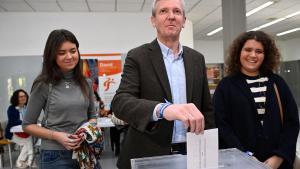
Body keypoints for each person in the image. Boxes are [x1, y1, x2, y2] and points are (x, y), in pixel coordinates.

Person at [111, 0, 214, 168]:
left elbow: (207, 110)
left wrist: (209, 152)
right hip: (149, 153)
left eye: (177, 12)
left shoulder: (197, 59)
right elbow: (120, 102)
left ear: (184, 21)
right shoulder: (138, 56)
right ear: (153, 20)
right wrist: (163, 109)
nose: (171, 16)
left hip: (191, 153)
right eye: (164, 11)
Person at [213, 31, 299, 169]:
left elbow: (292, 123)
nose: (253, 55)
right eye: (248, 50)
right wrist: (244, 156)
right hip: (240, 163)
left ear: (265, 55)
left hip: (277, 164)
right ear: (238, 52)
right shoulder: (226, 86)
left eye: (259, 51)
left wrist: (279, 156)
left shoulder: (277, 83)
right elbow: (222, 126)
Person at [22, 29, 98, 169]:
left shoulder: (86, 82)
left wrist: (85, 130)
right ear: (52, 56)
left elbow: (92, 117)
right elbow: (27, 125)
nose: (69, 56)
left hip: (84, 151)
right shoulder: (43, 84)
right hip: (55, 155)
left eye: (73, 51)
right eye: (61, 53)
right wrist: (56, 136)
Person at [5, 89, 35, 168]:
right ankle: (26, 162)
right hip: (13, 134)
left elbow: (32, 118)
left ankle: (25, 162)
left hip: (25, 133)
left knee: (29, 140)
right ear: (16, 98)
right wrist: (25, 122)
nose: (23, 98)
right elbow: (13, 121)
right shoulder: (11, 108)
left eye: (24, 96)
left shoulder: (27, 107)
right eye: (20, 96)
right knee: (29, 142)